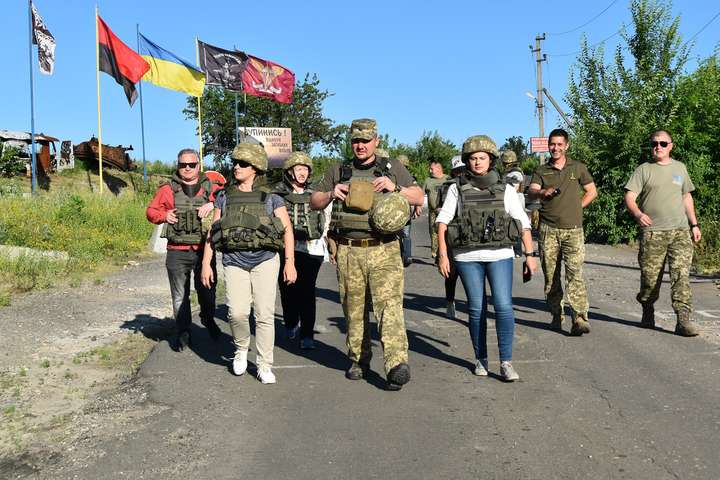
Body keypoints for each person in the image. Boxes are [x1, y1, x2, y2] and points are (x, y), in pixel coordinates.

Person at [310, 118, 424, 391]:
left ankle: (396, 364)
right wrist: (331, 193)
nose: (360, 146)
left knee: (389, 307)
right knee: (353, 309)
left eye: (365, 140)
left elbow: (419, 197)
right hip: (349, 250)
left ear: (376, 141)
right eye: (356, 141)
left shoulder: (392, 167)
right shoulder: (339, 170)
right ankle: (358, 360)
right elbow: (313, 201)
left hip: (384, 249)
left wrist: (395, 188)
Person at [436, 135, 537, 382]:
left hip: (500, 255)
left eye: (482, 157)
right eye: (473, 158)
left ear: (490, 159)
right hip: (466, 257)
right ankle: (480, 358)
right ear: (467, 161)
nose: (477, 162)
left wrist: (530, 255)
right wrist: (443, 255)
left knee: (503, 306)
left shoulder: (505, 188)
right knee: (476, 308)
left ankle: (506, 362)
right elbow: (442, 222)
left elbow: (523, 223)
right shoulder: (456, 188)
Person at [200, 143, 297, 384]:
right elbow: (213, 231)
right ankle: (241, 348)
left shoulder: (272, 197)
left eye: (243, 163)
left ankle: (264, 364)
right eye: (235, 162)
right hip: (234, 260)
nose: (236, 167)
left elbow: (287, 230)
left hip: (266, 260)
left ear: (255, 167)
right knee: (237, 313)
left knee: (264, 315)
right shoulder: (224, 196)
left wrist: (290, 262)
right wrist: (206, 263)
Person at [624, 130, 701, 336]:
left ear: (671, 146)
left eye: (663, 143)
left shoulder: (680, 168)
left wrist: (694, 224)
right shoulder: (643, 170)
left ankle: (683, 320)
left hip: (680, 231)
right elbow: (630, 196)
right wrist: (638, 214)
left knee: (681, 276)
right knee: (650, 280)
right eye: (654, 144)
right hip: (653, 233)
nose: (658, 147)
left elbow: (686, 197)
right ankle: (647, 308)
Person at [146, 148, 222, 351]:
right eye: (183, 165)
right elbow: (151, 211)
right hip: (176, 251)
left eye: (191, 164)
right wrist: (164, 215)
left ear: (199, 165)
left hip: (204, 251)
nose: (187, 168)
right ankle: (183, 331)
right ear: (178, 165)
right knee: (179, 295)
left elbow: (228, 201)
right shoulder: (167, 189)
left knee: (208, 292)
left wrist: (212, 204)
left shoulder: (211, 187)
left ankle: (208, 319)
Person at [528, 128, 597, 335]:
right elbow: (531, 191)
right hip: (548, 229)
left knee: (575, 274)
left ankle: (580, 318)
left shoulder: (578, 168)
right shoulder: (542, 170)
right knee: (551, 276)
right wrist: (542, 191)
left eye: (559, 144)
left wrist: (577, 207)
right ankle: (556, 314)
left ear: (567, 145)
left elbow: (592, 191)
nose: (555, 148)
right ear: (548, 146)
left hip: (574, 230)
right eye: (552, 144)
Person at [273, 151, 331, 349]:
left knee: (307, 290)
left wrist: (330, 244)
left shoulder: (316, 192)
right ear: (289, 171)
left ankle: (307, 334)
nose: (302, 173)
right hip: (284, 248)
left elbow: (326, 217)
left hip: (311, 248)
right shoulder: (277, 193)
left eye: (305, 169)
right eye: (298, 169)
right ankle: (290, 322)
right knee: (288, 289)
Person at [436, 155, 464, 319]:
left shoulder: (475, 185)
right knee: (451, 273)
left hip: (467, 234)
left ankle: (473, 305)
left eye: (463, 170)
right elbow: (438, 208)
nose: (461, 174)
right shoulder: (447, 187)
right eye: (458, 171)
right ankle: (450, 301)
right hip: (451, 234)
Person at [422, 159, 450, 260]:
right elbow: (421, 194)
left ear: (438, 168)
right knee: (433, 232)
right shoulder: (428, 180)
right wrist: (418, 207)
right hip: (433, 212)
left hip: (446, 211)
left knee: (446, 232)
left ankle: (446, 253)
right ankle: (435, 254)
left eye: (431, 169)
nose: (430, 171)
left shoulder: (448, 179)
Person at [396, 153, 417, 267]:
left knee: (397, 235)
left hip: (396, 211)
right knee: (406, 234)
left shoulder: (392, 176)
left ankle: (402, 256)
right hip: (405, 210)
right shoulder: (410, 178)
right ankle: (407, 255)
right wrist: (417, 207)